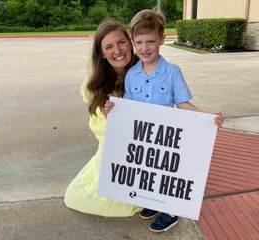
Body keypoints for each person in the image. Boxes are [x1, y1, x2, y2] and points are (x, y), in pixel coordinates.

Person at [104, 9, 224, 233]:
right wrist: (114, 108)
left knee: (168, 171)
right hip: (143, 135)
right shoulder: (132, 75)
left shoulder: (172, 72)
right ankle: (152, 201)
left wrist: (208, 117)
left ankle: (170, 212)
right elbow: (129, 108)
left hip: (166, 135)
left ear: (162, 40)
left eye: (150, 41)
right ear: (133, 42)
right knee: (149, 169)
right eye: (139, 42)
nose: (144, 47)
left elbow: (183, 104)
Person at [64, 18, 142, 217]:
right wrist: (113, 119)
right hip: (116, 150)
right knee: (77, 197)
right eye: (109, 46)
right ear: (101, 53)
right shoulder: (95, 84)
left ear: (130, 41)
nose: (117, 50)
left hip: (143, 149)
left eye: (121, 42)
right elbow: (103, 133)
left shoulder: (148, 70)